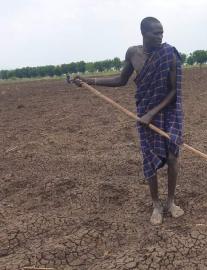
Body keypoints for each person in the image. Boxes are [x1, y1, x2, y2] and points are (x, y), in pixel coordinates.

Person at [73, 17, 184, 225]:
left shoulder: (170, 54)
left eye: (162, 32)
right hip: (143, 112)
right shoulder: (133, 53)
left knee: (172, 156)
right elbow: (121, 80)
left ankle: (171, 202)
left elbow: (173, 90)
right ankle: (156, 205)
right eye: (155, 33)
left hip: (168, 112)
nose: (160, 37)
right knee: (149, 157)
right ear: (143, 33)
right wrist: (90, 81)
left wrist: (153, 112)